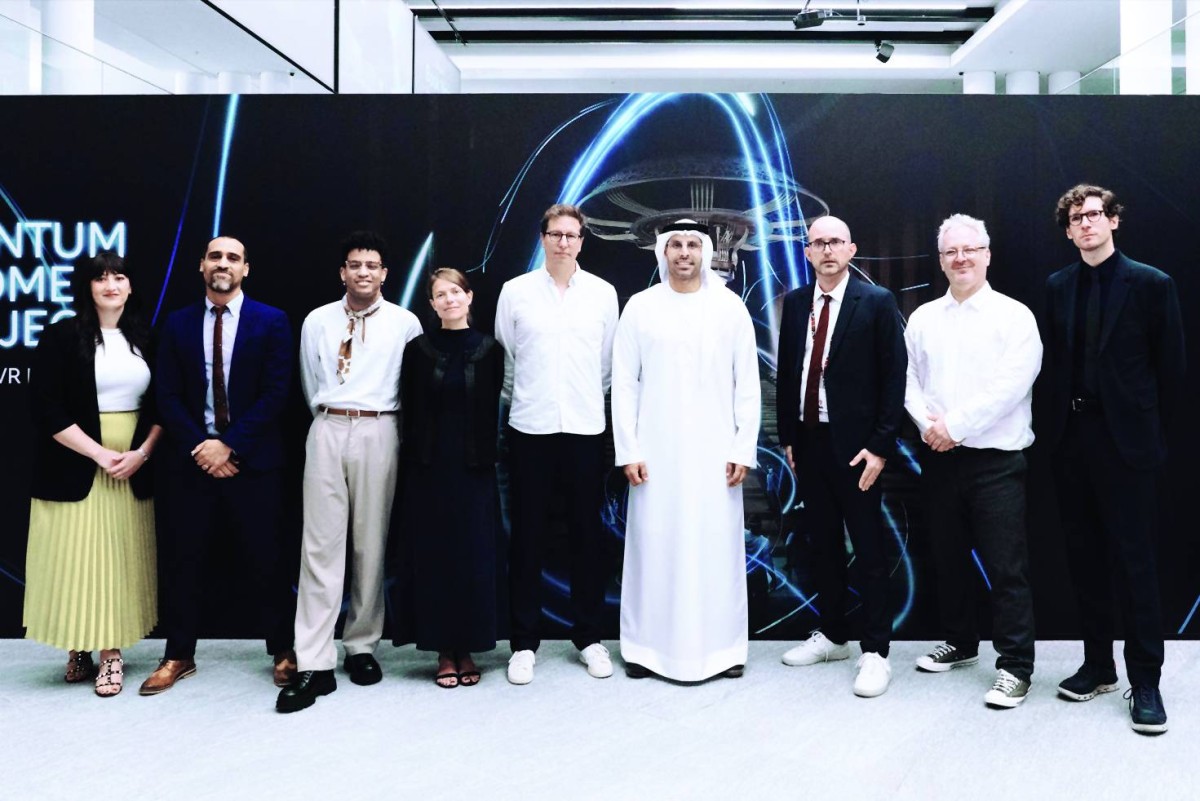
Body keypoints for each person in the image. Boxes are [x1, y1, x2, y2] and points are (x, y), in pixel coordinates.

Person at [1043, 185, 1185, 735]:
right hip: (1072, 440)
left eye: (1095, 214)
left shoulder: (1151, 283)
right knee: (1084, 558)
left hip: (1127, 444)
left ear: (1114, 221)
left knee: (1136, 564)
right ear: (1068, 230)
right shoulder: (1057, 286)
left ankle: (1145, 681)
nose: (1086, 224)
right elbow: (1053, 366)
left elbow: (1171, 371)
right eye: (1076, 218)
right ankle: (1098, 666)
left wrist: (1150, 438)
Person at [143, 235, 295, 696]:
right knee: (183, 561)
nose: (223, 264)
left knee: (268, 560)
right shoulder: (177, 323)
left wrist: (229, 446)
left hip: (254, 463)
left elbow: (277, 393)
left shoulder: (272, 321)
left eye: (232, 257)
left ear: (246, 268)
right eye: (215, 256)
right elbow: (166, 395)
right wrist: (203, 447)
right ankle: (178, 655)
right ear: (201, 266)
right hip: (192, 464)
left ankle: (283, 650)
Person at [277, 231, 422, 713]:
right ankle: (314, 659)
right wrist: (330, 419)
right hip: (328, 425)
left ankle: (361, 645)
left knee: (370, 543)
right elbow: (308, 379)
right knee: (319, 547)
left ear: (384, 274)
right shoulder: (318, 320)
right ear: (342, 272)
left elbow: (410, 384)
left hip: (380, 428)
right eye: (355, 265)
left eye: (372, 265)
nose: (363, 272)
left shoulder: (405, 323)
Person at [611, 220, 761, 682]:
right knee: (653, 546)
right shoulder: (640, 307)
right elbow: (624, 383)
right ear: (663, 251)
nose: (683, 253)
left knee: (716, 548)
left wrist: (743, 447)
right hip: (655, 453)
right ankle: (645, 650)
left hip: (716, 453)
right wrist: (628, 449)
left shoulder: (730, 308)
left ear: (705, 252)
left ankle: (723, 651)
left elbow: (747, 383)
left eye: (693, 245)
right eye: (675, 244)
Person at [904, 214, 1042, 708]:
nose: (960, 258)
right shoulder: (923, 318)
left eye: (970, 250)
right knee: (947, 558)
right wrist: (929, 427)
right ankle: (960, 642)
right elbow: (908, 380)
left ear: (987, 254)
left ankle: (1015, 667)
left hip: (996, 462)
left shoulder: (1015, 316)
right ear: (941, 260)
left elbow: (1011, 386)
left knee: (1006, 568)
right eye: (950, 252)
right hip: (940, 459)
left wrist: (954, 427)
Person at [776, 215, 906, 698]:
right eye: (819, 243)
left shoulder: (876, 301)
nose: (827, 250)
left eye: (836, 242)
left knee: (868, 549)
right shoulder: (795, 304)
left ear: (851, 249)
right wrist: (788, 436)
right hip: (809, 441)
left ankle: (876, 651)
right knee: (822, 543)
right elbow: (788, 372)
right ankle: (833, 635)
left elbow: (894, 376)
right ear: (807, 252)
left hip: (858, 447)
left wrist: (881, 446)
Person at [24, 251, 162, 697]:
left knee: (116, 561)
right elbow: (46, 407)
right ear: (87, 287)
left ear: (130, 286)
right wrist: (100, 454)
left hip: (132, 467)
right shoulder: (62, 335)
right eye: (100, 278)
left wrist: (141, 453)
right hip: (74, 464)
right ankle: (78, 645)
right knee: (75, 559)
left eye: (118, 277)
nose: (110, 285)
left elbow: (163, 405)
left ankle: (111, 653)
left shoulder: (146, 338)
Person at [494, 203, 619, 685]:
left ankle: (589, 638)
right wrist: (530, 399)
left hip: (585, 430)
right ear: (543, 238)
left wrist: (581, 398)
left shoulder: (603, 294)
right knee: (527, 538)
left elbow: (606, 366)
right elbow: (508, 359)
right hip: (530, 428)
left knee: (587, 537)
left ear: (582, 241)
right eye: (555, 234)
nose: (563, 242)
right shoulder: (515, 292)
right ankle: (524, 643)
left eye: (572, 235)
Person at [391, 268, 505, 688]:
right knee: (435, 558)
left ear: (469, 297)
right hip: (429, 470)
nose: (450, 299)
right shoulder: (418, 350)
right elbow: (406, 407)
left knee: (473, 557)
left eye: (456, 291)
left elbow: (495, 406)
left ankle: (468, 648)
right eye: (441, 294)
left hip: (475, 470)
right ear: (432, 304)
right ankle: (442, 650)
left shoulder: (490, 349)